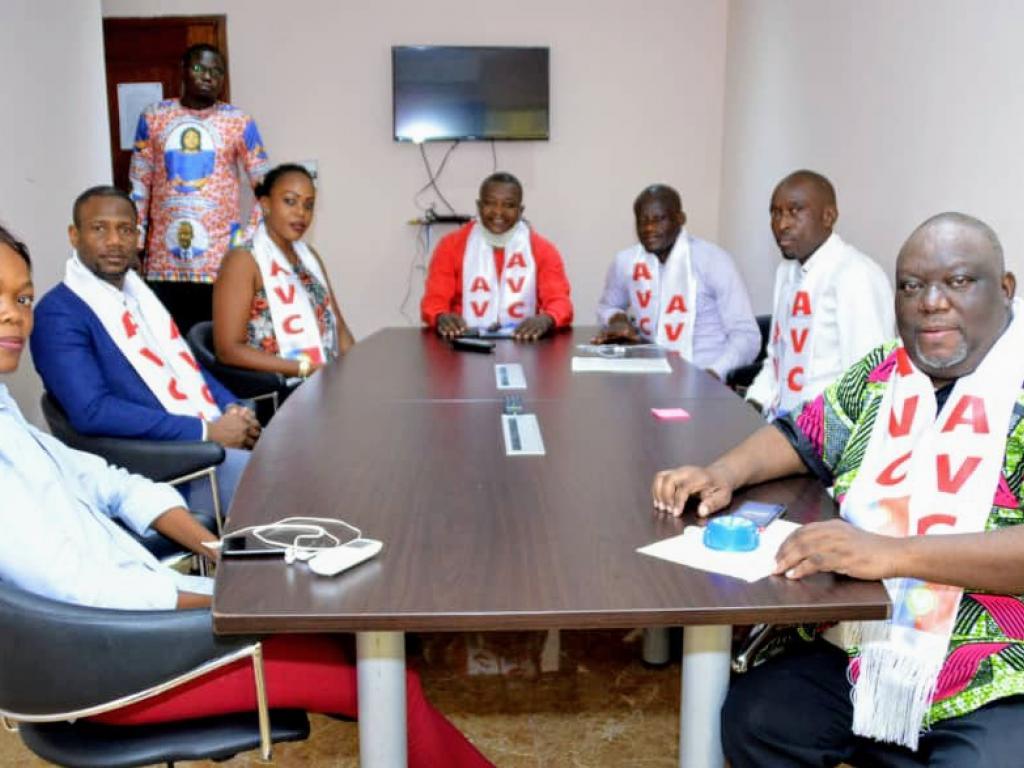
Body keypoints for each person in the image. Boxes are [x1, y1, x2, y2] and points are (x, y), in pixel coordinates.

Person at [0, 226, 493, 768]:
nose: (14, 315)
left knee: (365, 655)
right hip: (121, 662)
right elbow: (86, 590)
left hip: (128, 632)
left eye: (23, 298)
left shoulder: (5, 413)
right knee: (382, 679)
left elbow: (114, 482)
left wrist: (214, 550)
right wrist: (239, 606)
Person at [652, 212, 1024, 766]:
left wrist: (890, 554)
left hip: (992, 665)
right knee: (759, 720)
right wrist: (723, 473)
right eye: (912, 286)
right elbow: (802, 434)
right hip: (862, 642)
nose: (931, 302)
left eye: (959, 281)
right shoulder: (884, 371)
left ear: (1005, 288)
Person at [30, 186, 259, 514]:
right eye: (99, 228)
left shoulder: (140, 297)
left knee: (297, 458)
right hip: (165, 468)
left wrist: (233, 409)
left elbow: (186, 368)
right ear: (74, 235)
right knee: (287, 481)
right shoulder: (58, 313)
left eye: (125, 230)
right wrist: (207, 431)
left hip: (201, 443)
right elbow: (93, 411)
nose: (114, 241)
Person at [129, 43, 271, 333]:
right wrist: (135, 245)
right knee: (168, 345)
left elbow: (266, 188)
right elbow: (139, 184)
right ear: (182, 71)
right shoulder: (154, 117)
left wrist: (248, 242)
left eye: (217, 72)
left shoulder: (238, 121)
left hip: (221, 263)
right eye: (199, 68)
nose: (208, 76)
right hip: (164, 264)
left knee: (217, 346)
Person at [745, 170, 894, 418]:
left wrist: (810, 434)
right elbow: (776, 361)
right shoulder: (787, 272)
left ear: (828, 216)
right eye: (776, 213)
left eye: (795, 211)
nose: (782, 225)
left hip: (823, 431)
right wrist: (752, 405)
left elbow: (870, 384)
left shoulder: (856, 274)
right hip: (779, 421)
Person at [594, 184, 760, 380]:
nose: (649, 228)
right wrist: (618, 320)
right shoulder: (626, 262)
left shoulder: (714, 261)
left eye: (659, 219)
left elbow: (747, 336)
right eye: (642, 221)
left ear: (680, 219)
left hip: (704, 375)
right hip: (647, 376)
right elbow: (608, 306)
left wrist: (716, 372)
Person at [213, 164, 354, 379]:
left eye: (308, 205)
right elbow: (228, 350)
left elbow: (339, 329)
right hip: (280, 388)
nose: (301, 213)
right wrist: (305, 369)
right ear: (265, 204)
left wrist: (356, 370)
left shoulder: (310, 257)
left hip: (325, 379)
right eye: (290, 201)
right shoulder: (243, 261)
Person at [420, 172, 573, 342]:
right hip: (463, 342)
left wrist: (547, 319)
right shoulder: (450, 246)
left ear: (520, 211)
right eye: (490, 203)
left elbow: (560, 302)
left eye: (509, 205)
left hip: (525, 342)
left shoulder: (542, 249)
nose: (498, 212)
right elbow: (433, 301)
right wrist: (441, 316)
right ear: (479, 206)